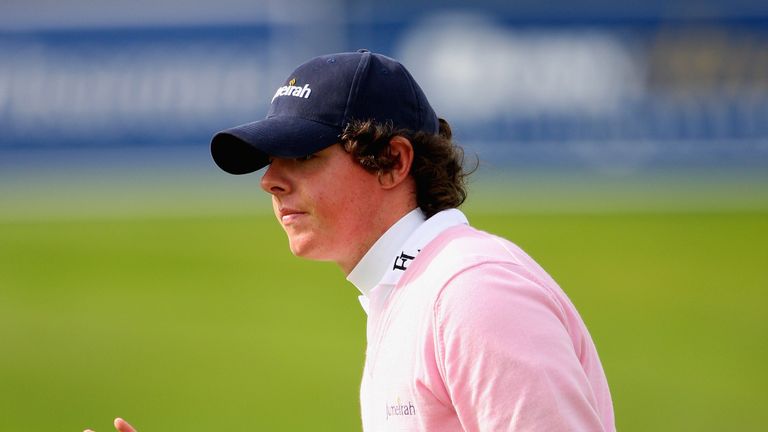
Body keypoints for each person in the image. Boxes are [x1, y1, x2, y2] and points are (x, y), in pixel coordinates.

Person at [87, 49, 615, 432]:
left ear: (392, 162)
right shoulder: (412, 292)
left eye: (304, 155)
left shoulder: (471, 294)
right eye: (271, 160)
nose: (270, 180)